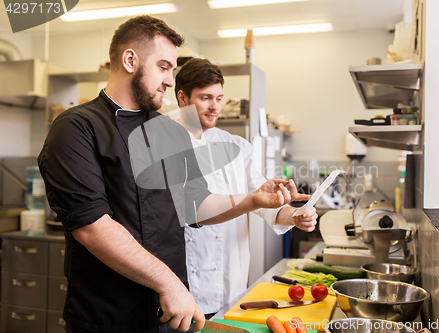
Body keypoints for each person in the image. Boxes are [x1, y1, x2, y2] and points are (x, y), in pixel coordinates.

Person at [38, 15, 307, 333]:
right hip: (108, 318)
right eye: (164, 67)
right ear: (129, 60)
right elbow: (92, 227)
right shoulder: (76, 128)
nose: (169, 80)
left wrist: (252, 199)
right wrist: (168, 281)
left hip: (170, 315)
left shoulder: (168, 132)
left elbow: (194, 206)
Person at [173, 58, 318, 317]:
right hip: (187, 291)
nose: (214, 107)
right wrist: (256, 200)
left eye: (219, 98)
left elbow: (265, 205)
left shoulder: (237, 146)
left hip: (234, 284)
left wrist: (295, 215)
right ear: (182, 98)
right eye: (206, 98)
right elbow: (195, 211)